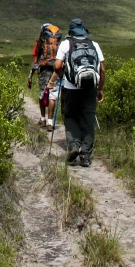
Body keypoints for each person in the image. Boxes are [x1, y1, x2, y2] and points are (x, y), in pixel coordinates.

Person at [53, 19, 105, 167]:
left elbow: (57, 65)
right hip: (90, 88)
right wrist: (100, 89)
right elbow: (102, 69)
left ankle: (74, 145)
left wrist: (64, 76)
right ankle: (86, 156)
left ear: (71, 31)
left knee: (70, 117)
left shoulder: (66, 44)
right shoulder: (94, 44)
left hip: (70, 88)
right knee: (88, 120)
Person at [27, 23, 62, 126]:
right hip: (56, 71)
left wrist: (30, 77)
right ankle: (50, 122)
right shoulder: (58, 43)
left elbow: (35, 62)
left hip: (43, 70)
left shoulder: (39, 44)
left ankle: (43, 119)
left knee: (42, 93)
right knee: (52, 96)